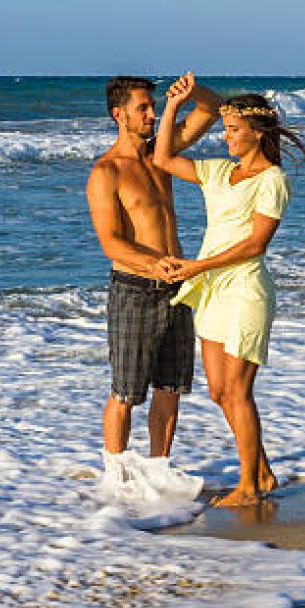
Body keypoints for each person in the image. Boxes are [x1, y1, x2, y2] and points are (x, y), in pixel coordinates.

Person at [154, 72, 305, 507]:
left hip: (245, 292)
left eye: (234, 131)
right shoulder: (220, 172)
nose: (226, 137)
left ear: (258, 134)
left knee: (238, 391)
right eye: (225, 129)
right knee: (219, 391)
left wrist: (197, 266)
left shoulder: (272, 180)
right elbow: (163, 157)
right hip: (212, 293)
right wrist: (176, 104)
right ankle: (262, 472)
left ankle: (249, 487)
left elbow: (256, 244)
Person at [86, 75, 221, 466]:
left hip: (177, 287)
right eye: (142, 108)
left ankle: (158, 470)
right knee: (126, 393)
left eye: (152, 106)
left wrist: (190, 94)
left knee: (170, 388)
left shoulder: (161, 154)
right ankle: (116, 476)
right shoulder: (106, 172)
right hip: (135, 289)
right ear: (118, 114)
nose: (151, 114)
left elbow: (211, 110)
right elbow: (110, 242)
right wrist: (151, 264)